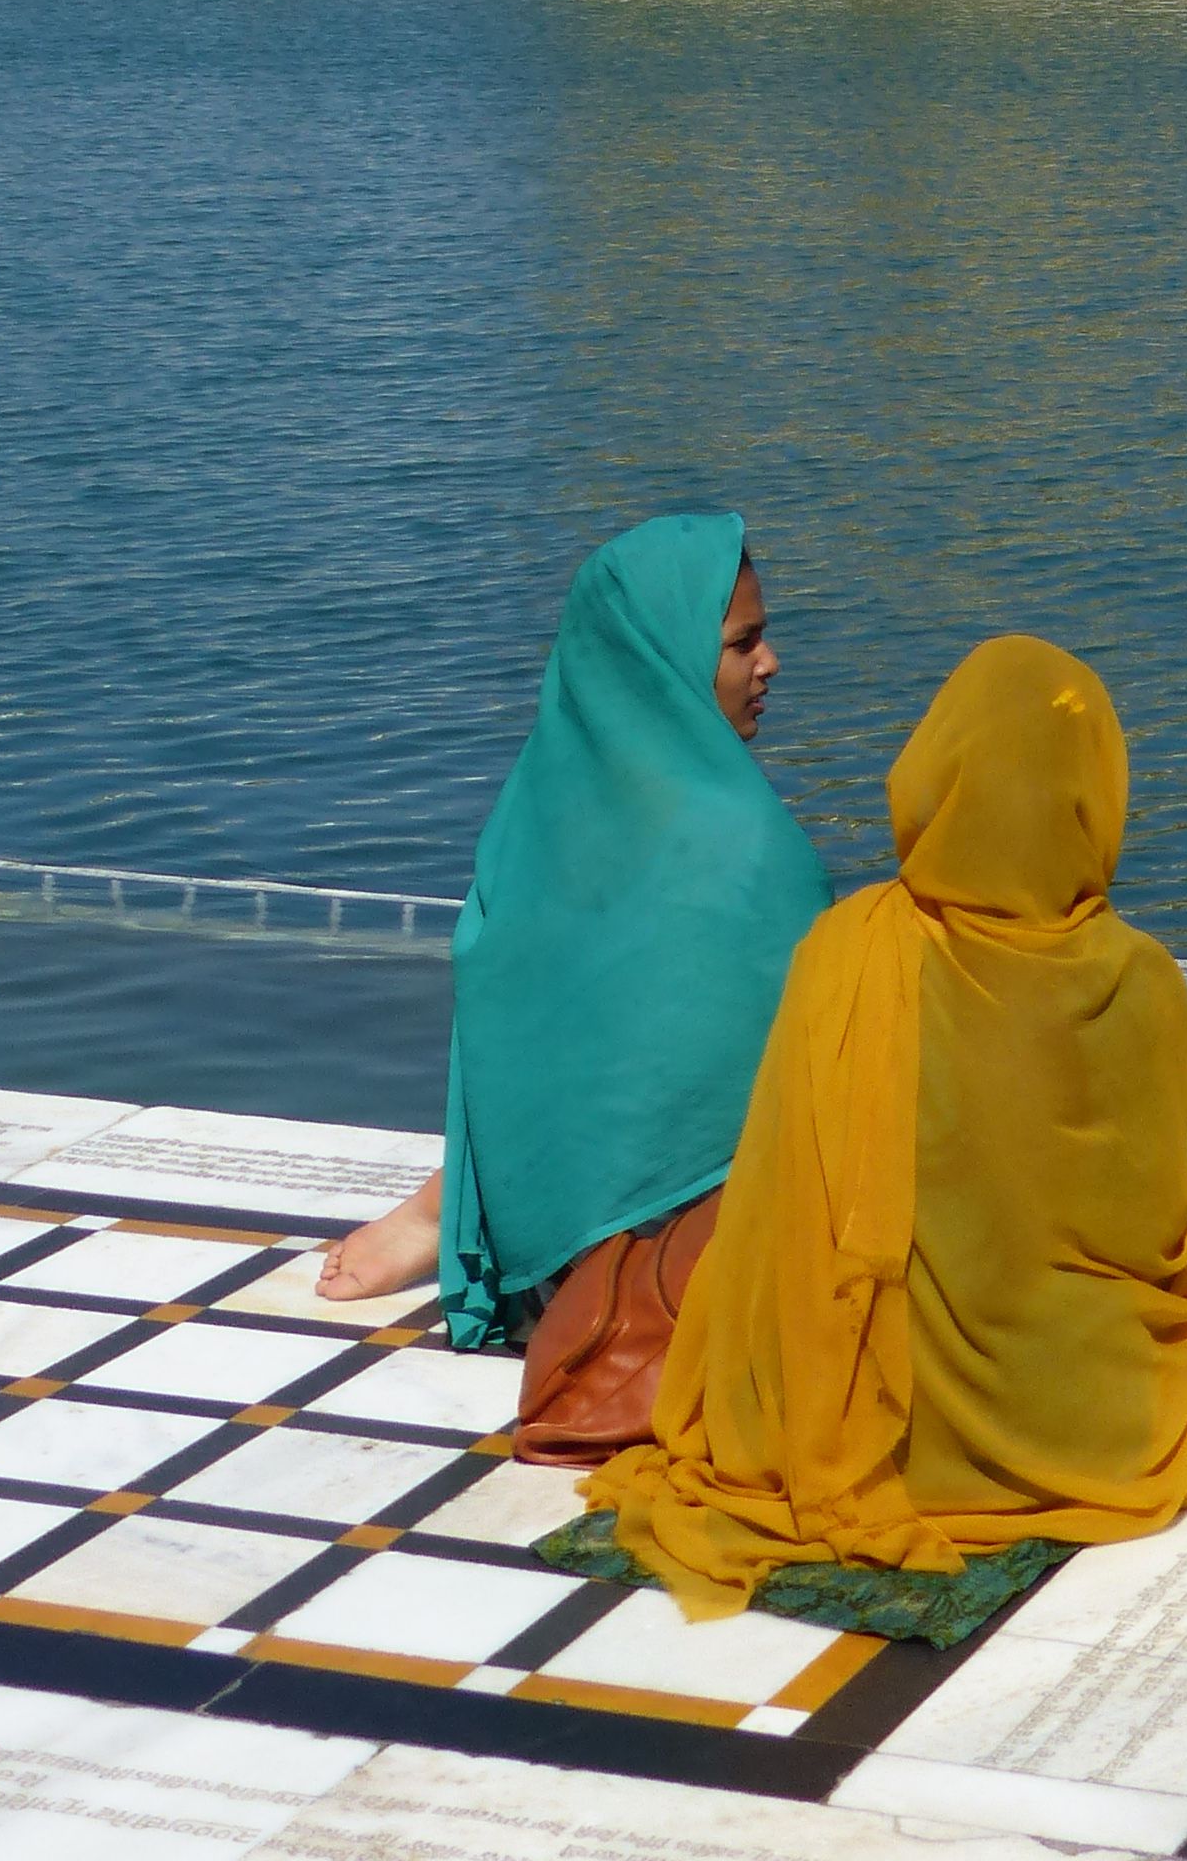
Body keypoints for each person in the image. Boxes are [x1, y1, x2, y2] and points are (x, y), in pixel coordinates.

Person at [575, 636, 1187, 1637]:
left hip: (862, 1425)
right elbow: (1146, 1249)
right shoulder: (1137, 980)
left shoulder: (846, 950)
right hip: (1091, 1422)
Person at [314, 518, 830, 1405]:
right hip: (705, 1264)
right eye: (743, 642)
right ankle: (455, 1216)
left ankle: (451, 1215)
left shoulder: (538, 814)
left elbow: (525, 1031)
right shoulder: (747, 844)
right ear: (659, 657)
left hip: (558, 1275)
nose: (771, 663)